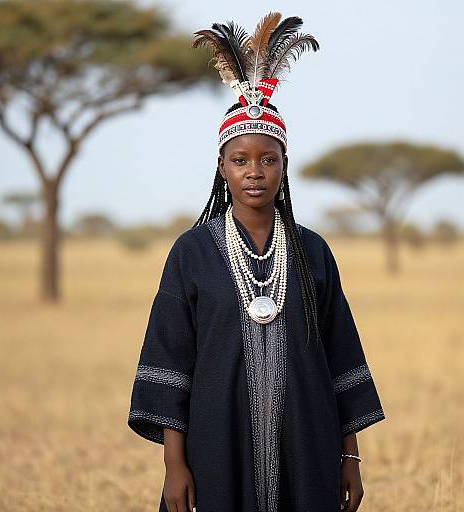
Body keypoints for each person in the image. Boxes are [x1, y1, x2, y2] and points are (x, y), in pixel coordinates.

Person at [127, 12, 386, 512]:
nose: (254, 172)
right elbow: (170, 360)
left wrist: (349, 458)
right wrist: (175, 466)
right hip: (214, 447)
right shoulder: (192, 252)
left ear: (284, 167)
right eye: (240, 160)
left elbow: (340, 356)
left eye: (268, 159)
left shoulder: (313, 250)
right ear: (221, 168)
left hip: (309, 448)